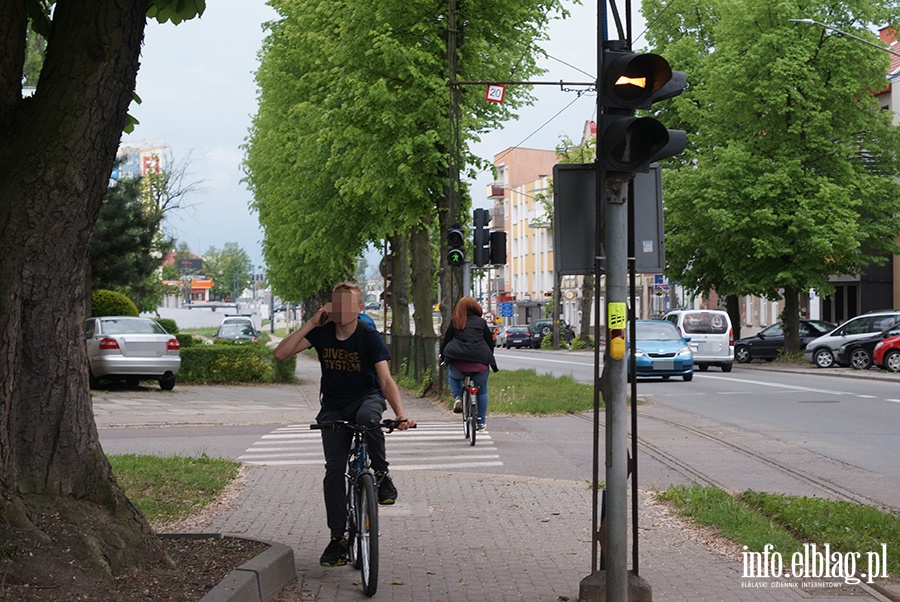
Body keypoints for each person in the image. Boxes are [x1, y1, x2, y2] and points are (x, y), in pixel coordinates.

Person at [273, 281, 414, 567]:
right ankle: (338, 538)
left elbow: (385, 379)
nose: (343, 310)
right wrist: (312, 322)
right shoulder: (322, 333)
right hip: (334, 407)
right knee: (334, 471)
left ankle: (382, 474)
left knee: (368, 419)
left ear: (360, 308)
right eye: (337, 304)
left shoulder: (367, 334)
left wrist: (399, 413)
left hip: (366, 398)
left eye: (350, 304)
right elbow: (281, 353)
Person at [439, 296, 498, 430]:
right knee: (482, 391)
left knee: (453, 377)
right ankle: (481, 422)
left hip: (458, 363)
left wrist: (443, 356)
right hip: (480, 364)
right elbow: (490, 343)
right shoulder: (481, 323)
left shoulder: (456, 322)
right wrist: (488, 357)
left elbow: (446, 340)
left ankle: (458, 397)